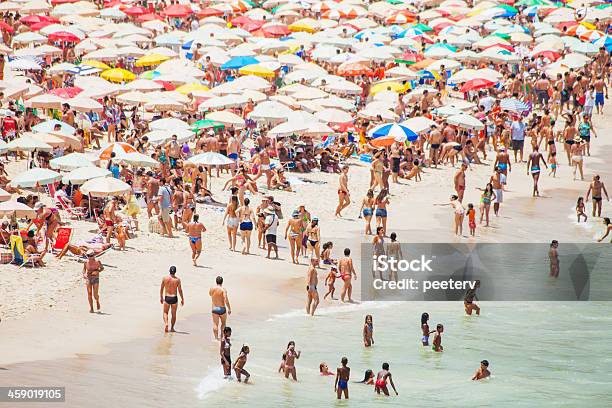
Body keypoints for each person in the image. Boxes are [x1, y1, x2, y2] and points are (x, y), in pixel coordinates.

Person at [159, 266, 184, 332]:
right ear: (175, 272)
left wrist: (161, 297)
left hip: (167, 297)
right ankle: (172, 328)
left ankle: (166, 323)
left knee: (165, 312)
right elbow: (180, 290)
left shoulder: (165, 278)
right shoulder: (177, 280)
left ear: (169, 271)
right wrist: (182, 299)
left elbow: (161, 289)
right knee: (173, 314)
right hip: (174, 298)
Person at [83, 249, 104, 313]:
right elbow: (84, 270)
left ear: (94, 255)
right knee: (89, 293)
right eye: (88, 256)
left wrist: (97, 271)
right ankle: (91, 308)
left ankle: (97, 301)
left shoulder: (97, 262)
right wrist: (84, 274)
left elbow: (102, 268)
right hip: (88, 278)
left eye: (91, 256)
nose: (90, 257)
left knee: (95, 294)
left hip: (95, 278)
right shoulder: (86, 262)